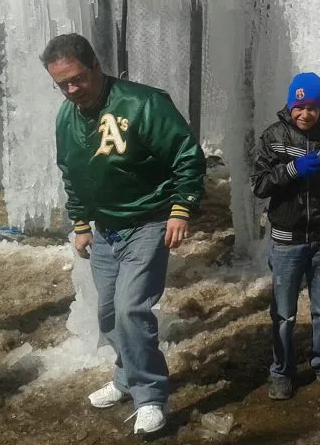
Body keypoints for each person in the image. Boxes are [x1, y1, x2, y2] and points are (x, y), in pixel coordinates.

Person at [43, 33, 205, 437]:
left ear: (96, 65)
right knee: (108, 313)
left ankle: (150, 396)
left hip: (148, 221)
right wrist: (80, 223)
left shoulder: (143, 103)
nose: (71, 90)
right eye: (62, 84)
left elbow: (187, 154)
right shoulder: (67, 117)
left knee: (132, 308)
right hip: (105, 230)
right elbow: (72, 174)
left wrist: (180, 208)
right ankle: (125, 377)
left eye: (77, 78)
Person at [250, 72, 320, 400]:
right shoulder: (273, 136)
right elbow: (258, 184)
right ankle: (282, 371)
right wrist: (292, 170)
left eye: (312, 107)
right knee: (284, 314)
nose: (304, 114)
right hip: (286, 241)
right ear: (290, 104)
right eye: (299, 106)